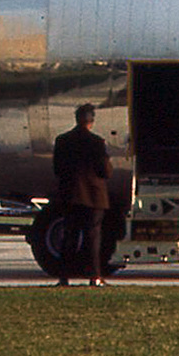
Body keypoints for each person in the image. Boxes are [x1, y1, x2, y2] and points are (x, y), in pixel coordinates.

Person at [52, 102, 111, 286]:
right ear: (91, 121)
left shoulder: (62, 140)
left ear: (77, 119)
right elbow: (104, 171)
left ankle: (64, 277)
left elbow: (58, 169)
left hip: (70, 195)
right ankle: (94, 276)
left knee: (69, 237)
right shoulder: (97, 142)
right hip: (93, 197)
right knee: (93, 238)